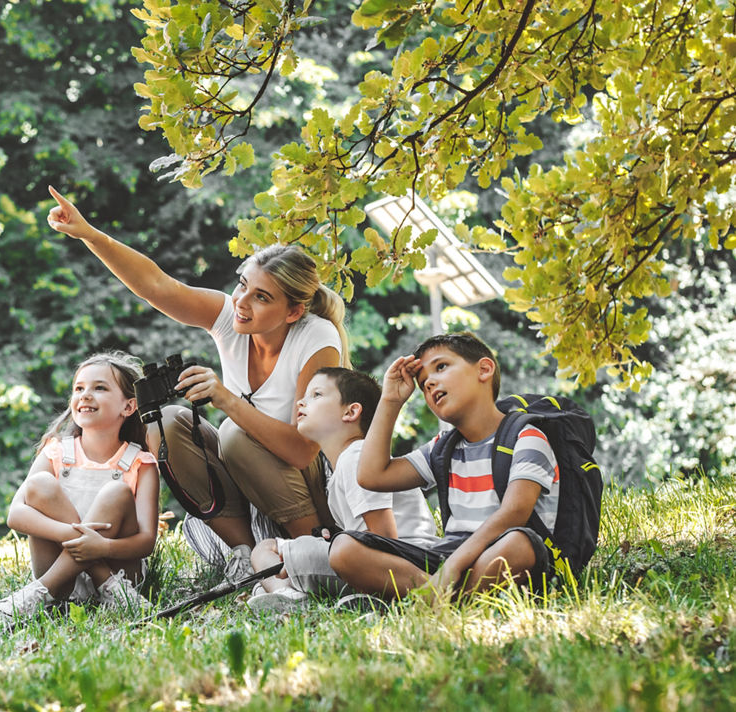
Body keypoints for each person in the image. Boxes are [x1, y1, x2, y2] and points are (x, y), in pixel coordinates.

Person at [45, 187, 350, 579]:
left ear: (293, 311)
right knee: (167, 422)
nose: (241, 302)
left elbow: (303, 450)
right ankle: (246, 556)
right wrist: (91, 235)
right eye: (243, 285)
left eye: (261, 297)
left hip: (309, 490)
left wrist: (226, 399)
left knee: (235, 433)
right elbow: (158, 286)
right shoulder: (232, 319)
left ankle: (309, 553)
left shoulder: (316, 338)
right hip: (252, 486)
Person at [329, 333, 561, 602]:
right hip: (445, 556)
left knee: (519, 545)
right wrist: (390, 401)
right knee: (343, 549)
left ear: (484, 370)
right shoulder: (443, 447)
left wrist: (453, 566)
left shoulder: (527, 436)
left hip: (500, 553)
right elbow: (371, 476)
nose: (430, 382)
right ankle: (444, 599)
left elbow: (514, 513)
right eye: (423, 383)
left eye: (441, 367)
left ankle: (427, 598)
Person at [246, 367, 438, 613]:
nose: (301, 402)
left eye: (316, 394)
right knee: (275, 566)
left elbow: (385, 539)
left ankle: (289, 597)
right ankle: (285, 590)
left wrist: (311, 552)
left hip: (399, 565)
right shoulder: (350, 463)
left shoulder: (356, 457)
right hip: (396, 561)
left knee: (266, 549)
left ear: (351, 412)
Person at [0, 352, 159, 621]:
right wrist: (77, 537)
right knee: (40, 484)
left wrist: (102, 547)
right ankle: (50, 589)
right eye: (79, 388)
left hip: (119, 573)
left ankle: (42, 593)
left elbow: (146, 541)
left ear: (128, 406)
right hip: (61, 579)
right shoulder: (55, 452)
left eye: (99, 388)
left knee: (117, 491)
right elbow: (16, 515)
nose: (85, 395)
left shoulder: (140, 463)